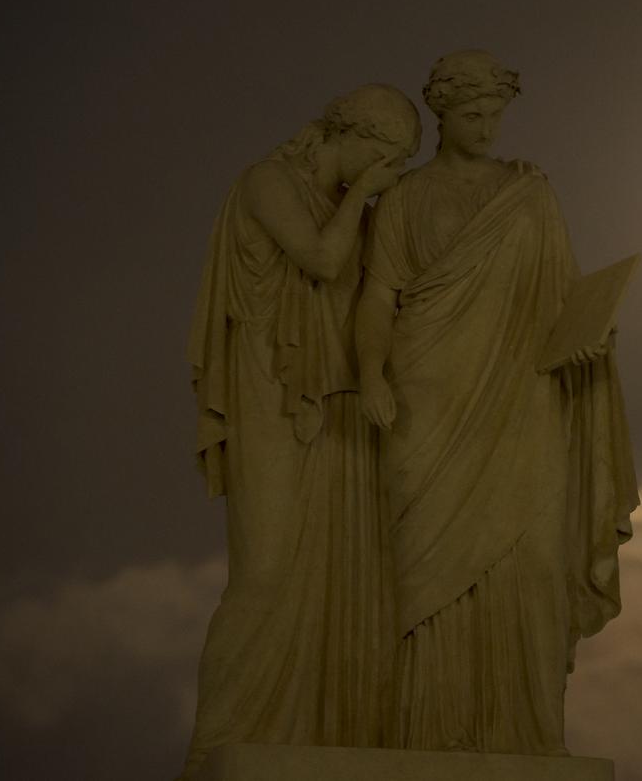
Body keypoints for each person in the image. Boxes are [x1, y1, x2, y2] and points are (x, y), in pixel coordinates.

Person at [357, 50, 638, 755]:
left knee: (532, 565)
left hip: (523, 402)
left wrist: (588, 337)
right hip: (428, 402)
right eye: (471, 114)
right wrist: (369, 372)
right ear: (442, 114)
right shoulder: (403, 199)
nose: (485, 127)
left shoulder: (530, 195)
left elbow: (564, 299)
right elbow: (376, 298)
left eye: (494, 114)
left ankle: (526, 736)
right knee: (425, 578)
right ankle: (428, 738)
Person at [182, 84, 420, 777]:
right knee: (264, 572)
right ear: (359, 140)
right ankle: (212, 745)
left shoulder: (360, 209)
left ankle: (321, 728)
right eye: (389, 159)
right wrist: (362, 196)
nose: (390, 175)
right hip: (271, 395)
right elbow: (320, 258)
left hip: (339, 405)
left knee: (342, 574)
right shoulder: (267, 182)